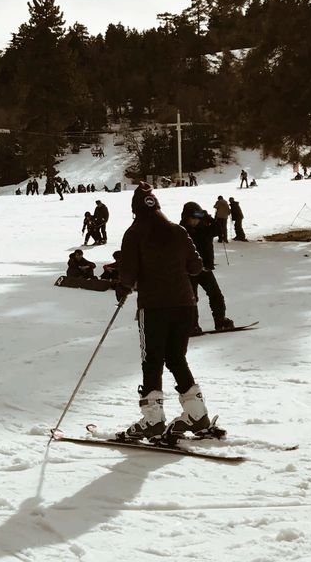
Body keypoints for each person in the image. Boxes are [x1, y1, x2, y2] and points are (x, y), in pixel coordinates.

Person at [114, 182, 213, 441]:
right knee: (176, 358)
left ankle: (153, 420)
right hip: (185, 304)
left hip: (155, 307)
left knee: (153, 360)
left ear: (135, 209)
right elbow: (196, 266)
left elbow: (128, 273)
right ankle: (196, 414)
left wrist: (122, 288)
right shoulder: (177, 230)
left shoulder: (134, 233)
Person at [179, 203, 232, 334]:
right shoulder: (182, 231)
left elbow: (218, 230)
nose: (195, 221)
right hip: (190, 271)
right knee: (192, 298)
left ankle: (220, 320)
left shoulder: (204, 227)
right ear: (186, 218)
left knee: (216, 295)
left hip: (205, 269)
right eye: (193, 218)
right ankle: (192, 325)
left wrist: (207, 217)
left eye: (197, 218)